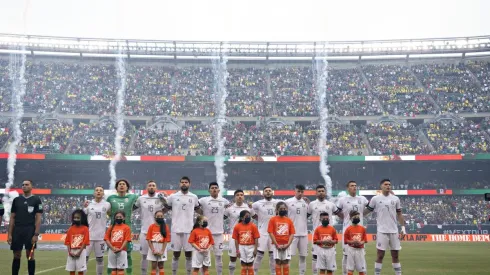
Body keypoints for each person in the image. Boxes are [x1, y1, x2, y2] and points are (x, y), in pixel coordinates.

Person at [364, 179, 406, 275]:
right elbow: (368, 211)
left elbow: (399, 214)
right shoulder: (376, 199)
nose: (388, 186)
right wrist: (358, 214)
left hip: (394, 231)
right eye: (386, 184)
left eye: (389, 184)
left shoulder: (395, 199)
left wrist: (403, 228)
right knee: (380, 255)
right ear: (381, 186)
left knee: (395, 255)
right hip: (382, 231)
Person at [164, 176, 200, 275]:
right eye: (182, 182)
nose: (184, 184)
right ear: (180, 184)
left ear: (189, 184)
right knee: (176, 254)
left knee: (189, 255)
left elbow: (198, 210)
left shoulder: (194, 197)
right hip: (176, 229)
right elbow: (166, 208)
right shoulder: (173, 197)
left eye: (186, 182)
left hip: (189, 230)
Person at [8, 180, 43, 275]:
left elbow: (38, 218)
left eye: (27, 184)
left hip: (30, 230)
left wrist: (36, 234)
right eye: (22, 184)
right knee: (16, 255)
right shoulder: (17, 200)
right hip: (17, 230)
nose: (24, 186)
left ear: (32, 187)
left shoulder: (36, 200)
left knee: (30, 255)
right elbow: (12, 218)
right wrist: (9, 234)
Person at [105, 179, 139, 275]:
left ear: (127, 187)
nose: (122, 185)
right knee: (111, 254)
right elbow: (107, 210)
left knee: (127, 253)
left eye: (124, 184)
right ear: (116, 187)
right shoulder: (111, 198)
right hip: (113, 229)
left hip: (127, 229)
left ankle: (129, 273)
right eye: (119, 184)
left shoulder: (133, 197)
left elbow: (142, 201)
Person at [336, 181, 369, 275]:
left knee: (362, 254)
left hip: (359, 230)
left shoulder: (362, 199)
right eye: (352, 186)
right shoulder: (343, 200)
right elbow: (337, 211)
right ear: (348, 188)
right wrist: (345, 217)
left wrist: (362, 215)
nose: (354, 187)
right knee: (346, 255)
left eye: (355, 185)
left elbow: (370, 208)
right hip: (348, 230)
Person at [135, 180, 166, 275]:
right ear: (147, 188)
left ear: (156, 188)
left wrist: (164, 199)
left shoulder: (160, 198)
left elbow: (168, 207)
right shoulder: (141, 198)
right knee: (144, 255)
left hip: (158, 231)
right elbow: (133, 208)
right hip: (145, 230)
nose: (151, 187)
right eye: (150, 185)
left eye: (153, 185)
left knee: (157, 256)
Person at [197, 182, 229, 275]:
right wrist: (202, 214)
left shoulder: (224, 201)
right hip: (206, 233)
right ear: (209, 190)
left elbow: (228, 212)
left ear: (218, 190)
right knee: (204, 255)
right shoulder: (203, 200)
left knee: (219, 256)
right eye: (212, 188)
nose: (214, 189)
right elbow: (195, 207)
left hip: (219, 233)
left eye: (216, 188)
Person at [307, 185, 340, 275]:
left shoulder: (331, 204)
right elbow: (306, 216)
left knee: (330, 257)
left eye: (322, 191)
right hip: (316, 234)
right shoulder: (312, 204)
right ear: (316, 193)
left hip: (329, 233)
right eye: (319, 191)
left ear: (325, 193)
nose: (321, 192)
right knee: (315, 256)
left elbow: (340, 214)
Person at [224, 189, 255, 275]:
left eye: (241, 195)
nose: (239, 196)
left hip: (247, 236)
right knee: (233, 258)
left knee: (248, 260)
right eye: (237, 195)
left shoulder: (248, 208)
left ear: (244, 197)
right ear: (234, 197)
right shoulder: (229, 208)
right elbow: (222, 218)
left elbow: (256, 216)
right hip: (233, 236)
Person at [252, 186, 282, 275]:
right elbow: (249, 210)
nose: (268, 192)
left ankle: (273, 273)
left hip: (274, 234)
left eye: (269, 191)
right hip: (262, 233)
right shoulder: (258, 203)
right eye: (266, 191)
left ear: (272, 192)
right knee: (259, 255)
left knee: (273, 255)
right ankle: (254, 272)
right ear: (263, 193)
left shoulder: (277, 202)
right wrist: (258, 218)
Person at [83, 186, 111, 275]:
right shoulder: (88, 204)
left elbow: (110, 215)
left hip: (101, 237)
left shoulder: (107, 204)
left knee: (100, 259)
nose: (98, 192)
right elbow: (83, 218)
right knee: (85, 259)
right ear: (94, 193)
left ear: (103, 193)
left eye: (100, 190)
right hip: (89, 237)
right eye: (97, 190)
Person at [285, 184, 310, 275]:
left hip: (304, 234)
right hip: (292, 234)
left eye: (302, 192)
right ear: (294, 191)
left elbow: (308, 215)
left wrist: (309, 203)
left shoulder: (306, 203)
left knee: (303, 257)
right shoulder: (288, 202)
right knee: (288, 257)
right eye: (298, 191)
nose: (300, 193)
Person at [267, 201, 295, 275]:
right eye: (281, 209)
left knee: (285, 261)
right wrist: (276, 244)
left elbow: (292, 233)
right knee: (278, 261)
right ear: (277, 210)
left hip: (286, 244)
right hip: (276, 245)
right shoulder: (272, 219)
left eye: (284, 208)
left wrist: (288, 244)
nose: (283, 210)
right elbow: (270, 232)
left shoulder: (289, 220)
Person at [232, 210, 260, 275]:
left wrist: (255, 249)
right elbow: (236, 240)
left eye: (249, 216)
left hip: (251, 247)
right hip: (241, 247)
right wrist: (237, 251)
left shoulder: (253, 226)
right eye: (247, 216)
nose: (248, 217)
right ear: (242, 218)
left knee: (250, 265)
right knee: (243, 265)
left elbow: (256, 238)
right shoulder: (237, 226)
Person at [104, 211, 132, 275]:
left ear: (124, 218)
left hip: (122, 251)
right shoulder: (111, 227)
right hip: (112, 251)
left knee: (121, 269)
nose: (118, 218)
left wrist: (120, 248)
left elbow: (126, 239)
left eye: (120, 217)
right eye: (117, 217)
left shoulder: (126, 227)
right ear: (114, 218)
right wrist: (112, 248)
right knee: (113, 269)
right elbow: (106, 239)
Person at [65, 209, 90, 275]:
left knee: (80, 270)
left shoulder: (85, 228)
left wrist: (79, 252)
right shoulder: (71, 229)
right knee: (71, 270)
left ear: (82, 218)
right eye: (75, 218)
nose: (76, 219)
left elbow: (85, 241)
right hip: (72, 251)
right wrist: (69, 252)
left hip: (81, 251)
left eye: (78, 218)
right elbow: (67, 241)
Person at [146, 210, 171, 275]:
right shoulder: (151, 226)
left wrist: (162, 250)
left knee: (161, 266)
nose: (159, 217)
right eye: (158, 216)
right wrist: (153, 250)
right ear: (155, 217)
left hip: (162, 246)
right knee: (153, 266)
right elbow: (149, 239)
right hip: (153, 246)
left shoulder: (166, 227)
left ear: (163, 217)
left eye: (161, 216)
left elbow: (166, 240)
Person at [343, 210, 367, 275]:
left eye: (358, 217)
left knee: (361, 269)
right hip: (351, 250)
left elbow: (365, 240)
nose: (357, 218)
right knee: (350, 269)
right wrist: (352, 241)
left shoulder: (362, 229)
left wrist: (361, 242)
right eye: (355, 217)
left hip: (360, 250)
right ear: (350, 218)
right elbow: (346, 241)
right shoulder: (348, 229)